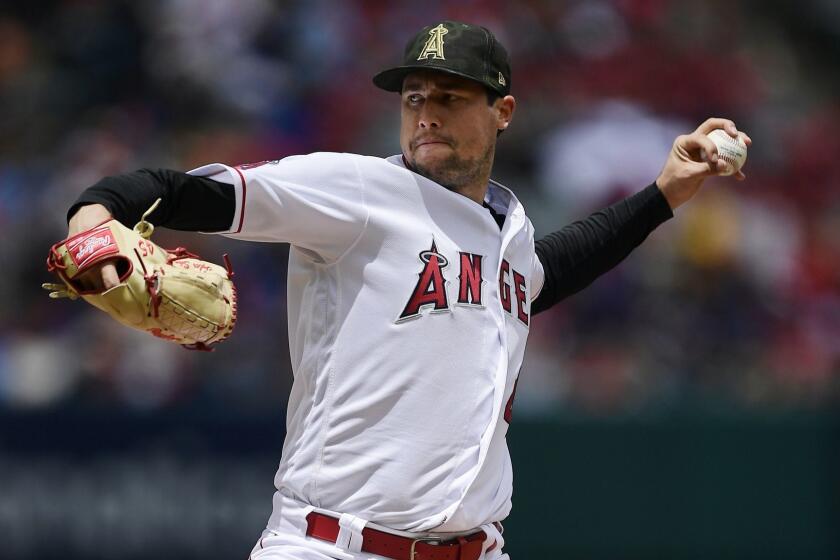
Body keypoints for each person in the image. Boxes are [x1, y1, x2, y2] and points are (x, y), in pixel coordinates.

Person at [64, 20, 750, 560]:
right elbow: (189, 193)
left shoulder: (507, 233)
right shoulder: (358, 191)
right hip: (330, 545)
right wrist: (95, 213)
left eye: (450, 98)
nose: (426, 114)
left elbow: (549, 270)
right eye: (415, 97)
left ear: (503, 110)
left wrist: (664, 194)